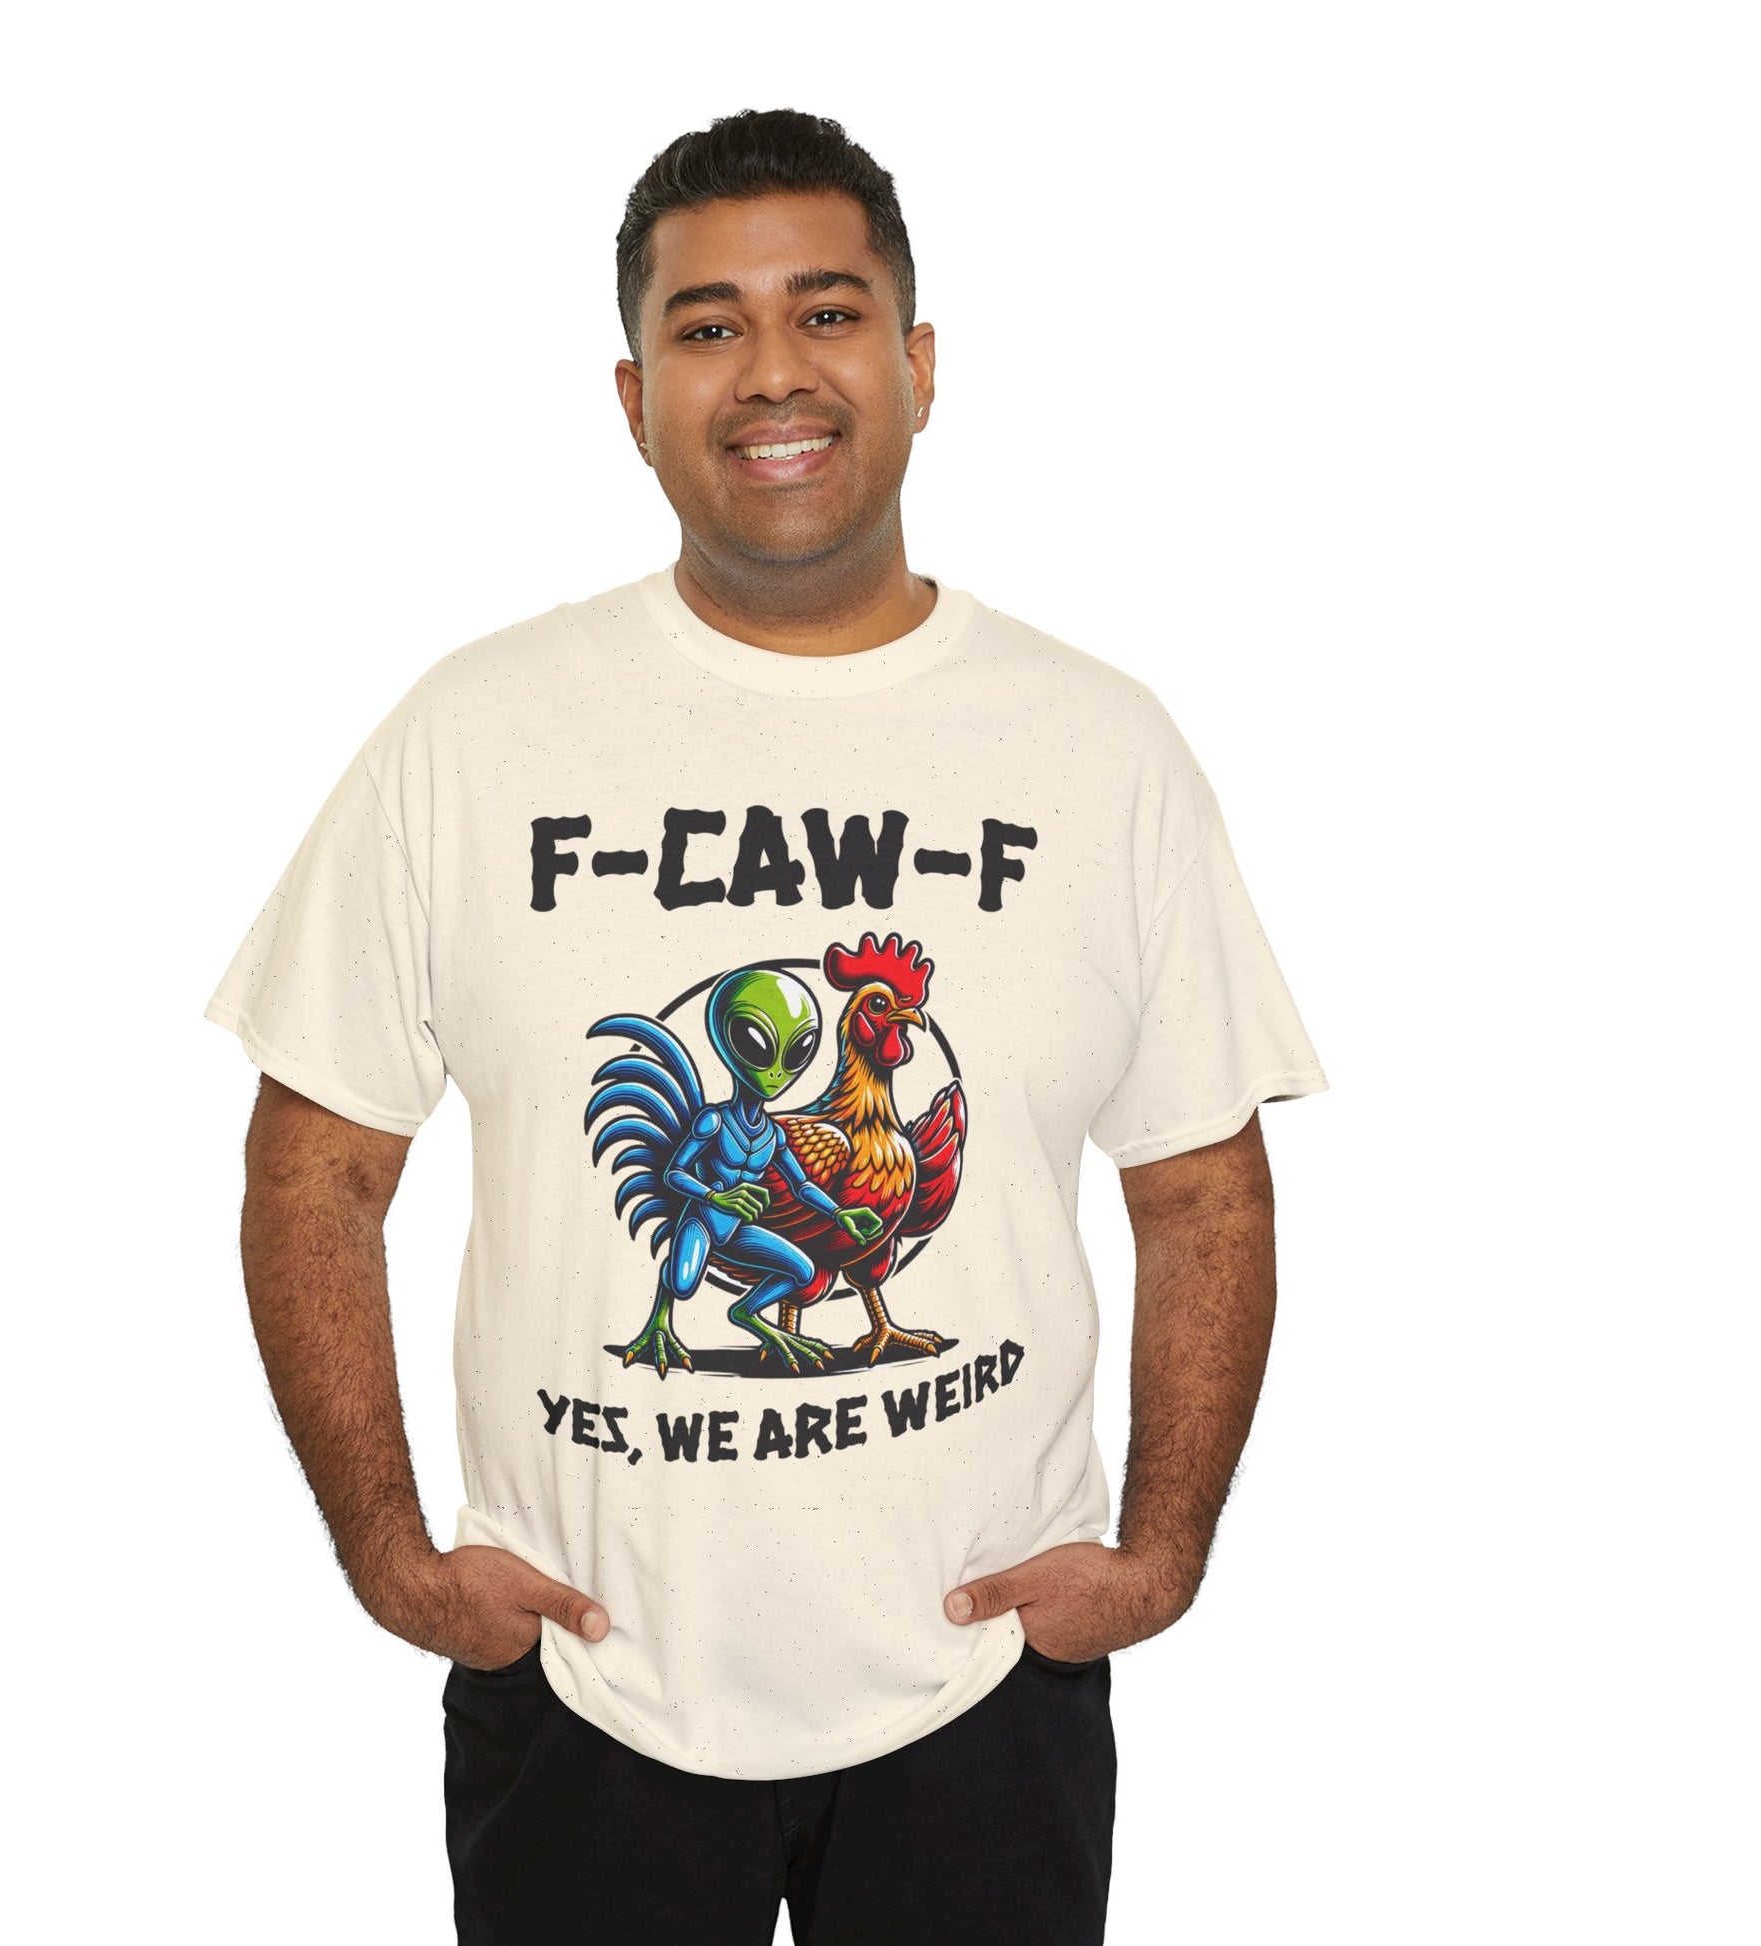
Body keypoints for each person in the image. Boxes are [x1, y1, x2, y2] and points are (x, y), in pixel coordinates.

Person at [207, 107, 1327, 1946]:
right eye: (708, 326)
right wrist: (393, 1556)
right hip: (585, 1675)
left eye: (826, 310)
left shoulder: (1098, 743)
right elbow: (312, 1170)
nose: (773, 371)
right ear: (634, 396)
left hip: (985, 1672)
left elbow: (1202, 1186)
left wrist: (1159, 1553)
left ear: (919, 363)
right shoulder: (471, 734)